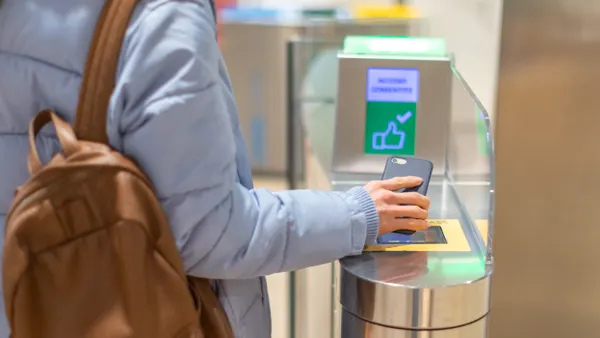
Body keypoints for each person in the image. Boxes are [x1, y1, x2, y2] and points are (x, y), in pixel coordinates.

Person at [0, 0, 430, 336]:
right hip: (132, 313)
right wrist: (357, 214)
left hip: (29, 302)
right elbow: (209, 231)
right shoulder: (161, 15)